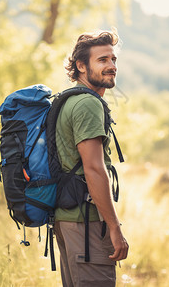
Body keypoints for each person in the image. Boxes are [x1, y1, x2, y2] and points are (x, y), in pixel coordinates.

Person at [54, 30, 129, 287]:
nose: (111, 66)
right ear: (81, 66)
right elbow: (94, 169)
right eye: (102, 60)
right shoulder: (87, 104)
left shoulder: (71, 99)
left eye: (113, 59)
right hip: (85, 224)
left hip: (69, 219)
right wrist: (115, 228)